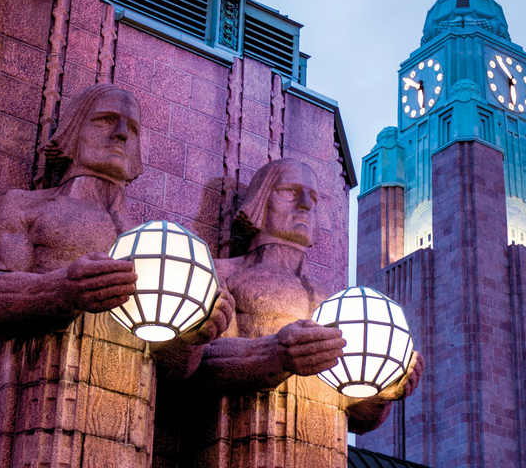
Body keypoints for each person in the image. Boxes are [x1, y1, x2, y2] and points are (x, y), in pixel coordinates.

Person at [0, 83, 233, 466]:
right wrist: (62, 289)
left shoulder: (160, 249)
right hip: (41, 406)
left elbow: (175, 369)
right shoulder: (26, 207)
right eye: (106, 120)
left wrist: (196, 331)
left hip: (131, 428)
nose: (122, 134)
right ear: (74, 131)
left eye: (133, 128)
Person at [181, 158, 423, 467]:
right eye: (289, 192)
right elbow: (197, 365)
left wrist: (385, 387)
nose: (306, 204)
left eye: (314, 197)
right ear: (259, 201)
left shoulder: (338, 304)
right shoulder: (220, 274)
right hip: (242, 449)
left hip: (324, 453)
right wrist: (275, 354)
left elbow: (356, 414)